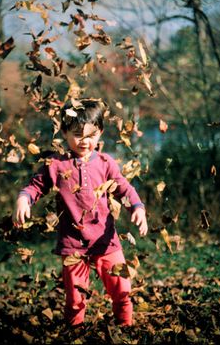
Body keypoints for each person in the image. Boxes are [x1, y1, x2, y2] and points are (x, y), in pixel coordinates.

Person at [13, 98, 148, 328]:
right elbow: (35, 186)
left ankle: (126, 328)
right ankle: (75, 332)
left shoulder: (106, 162)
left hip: (106, 241)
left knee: (123, 288)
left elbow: (124, 188)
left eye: (91, 135)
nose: (85, 141)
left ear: (100, 133)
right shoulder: (55, 164)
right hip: (73, 244)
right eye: (77, 134)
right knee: (75, 299)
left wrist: (137, 207)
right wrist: (24, 199)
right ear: (64, 132)